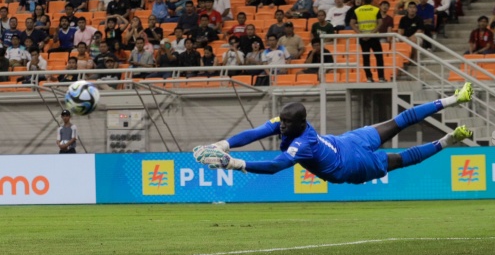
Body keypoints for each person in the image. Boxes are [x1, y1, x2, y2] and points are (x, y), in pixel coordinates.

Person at [193, 83, 474, 183]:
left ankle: (454, 103)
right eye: (281, 123)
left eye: (286, 124)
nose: (281, 127)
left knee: (398, 129)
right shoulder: (287, 122)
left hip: (348, 161)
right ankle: (450, 137)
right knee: (398, 151)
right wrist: (224, 144)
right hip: (346, 150)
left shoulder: (302, 143)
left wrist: (236, 164)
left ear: (300, 123)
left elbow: (276, 166)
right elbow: (255, 133)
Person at [351, 0, 387, 82]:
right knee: (379, 57)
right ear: (371, 0)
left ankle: (369, 78)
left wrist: (360, 33)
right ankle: (381, 78)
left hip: (363, 37)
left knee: (366, 58)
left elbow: (351, 23)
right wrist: (372, 33)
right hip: (374, 37)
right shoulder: (376, 9)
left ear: (363, 1)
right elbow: (380, 22)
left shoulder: (357, 10)